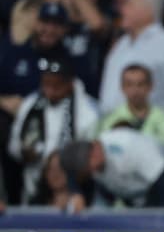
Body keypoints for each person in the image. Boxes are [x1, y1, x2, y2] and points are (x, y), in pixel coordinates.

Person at [8, 55, 99, 203]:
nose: (50, 91)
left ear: (69, 83)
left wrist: (62, 176)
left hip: (75, 193)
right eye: (46, 84)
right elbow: (13, 146)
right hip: (34, 189)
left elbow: (91, 158)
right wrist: (23, 151)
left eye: (56, 86)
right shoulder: (30, 104)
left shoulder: (88, 111)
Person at [98, 0, 164, 121]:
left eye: (130, 5)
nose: (123, 10)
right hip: (112, 128)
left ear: (149, 10)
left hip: (153, 132)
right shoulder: (121, 44)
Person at [59, 128, 164, 209]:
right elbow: (71, 173)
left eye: (91, 157)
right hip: (142, 197)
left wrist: (150, 222)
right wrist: (76, 193)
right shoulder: (88, 167)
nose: (93, 166)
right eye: (87, 167)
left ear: (96, 144)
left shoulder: (130, 147)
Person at [99, 64, 164, 152]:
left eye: (140, 84)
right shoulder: (110, 120)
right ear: (122, 87)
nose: (135, 90)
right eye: (129, 84)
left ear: (150, 86)